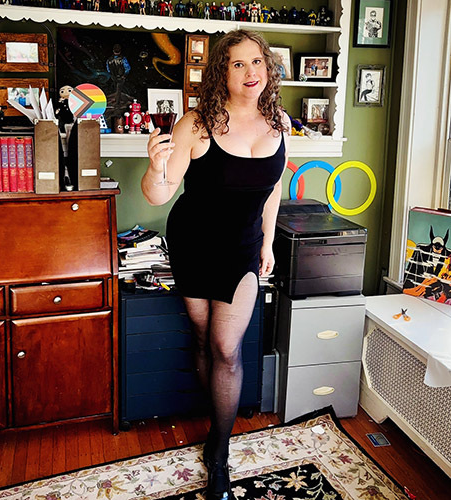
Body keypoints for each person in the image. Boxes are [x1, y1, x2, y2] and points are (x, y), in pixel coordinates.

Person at [142, 29, 290, 500]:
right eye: (238, 64)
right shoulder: (198, 123)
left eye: (257, 62)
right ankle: (214, 419)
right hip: (194, 243)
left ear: (268, 67)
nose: (250, 72)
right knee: (204, 336)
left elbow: (273, 190)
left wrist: (268, 243)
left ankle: (220, 452)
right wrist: (154, 167)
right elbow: (160, 194)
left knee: (227, 347)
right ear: (221, 73)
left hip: (243, 248)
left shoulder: (280, 122)